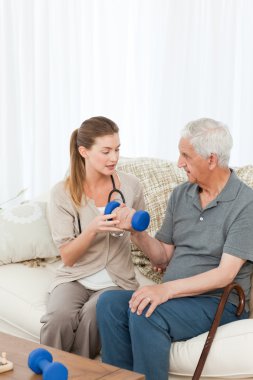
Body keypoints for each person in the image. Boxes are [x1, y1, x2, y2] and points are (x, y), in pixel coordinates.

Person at [96, 118, 253, 380]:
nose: (179, 163)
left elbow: (225, 274)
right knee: (109, 303)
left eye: (186, 156)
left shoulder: (246, 204)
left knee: (147, 312)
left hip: (219, 301)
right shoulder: (182, 194)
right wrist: (136, 232)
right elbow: (163, 256)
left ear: (211, 160)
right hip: (178, 298)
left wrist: (164, 290)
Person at [40, 116, 145, 358]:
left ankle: (78, 373)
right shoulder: (62, 193)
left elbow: (139, 235)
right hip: (75, 276)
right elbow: (67, 256)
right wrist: (92, 229)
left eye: (117, 149)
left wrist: (135, 229)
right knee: (58, 319)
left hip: (116, 281)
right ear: (84, 151)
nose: (114, 158)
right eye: (106, 151)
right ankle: (46, 371)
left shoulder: (131, 186)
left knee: (91, 316)